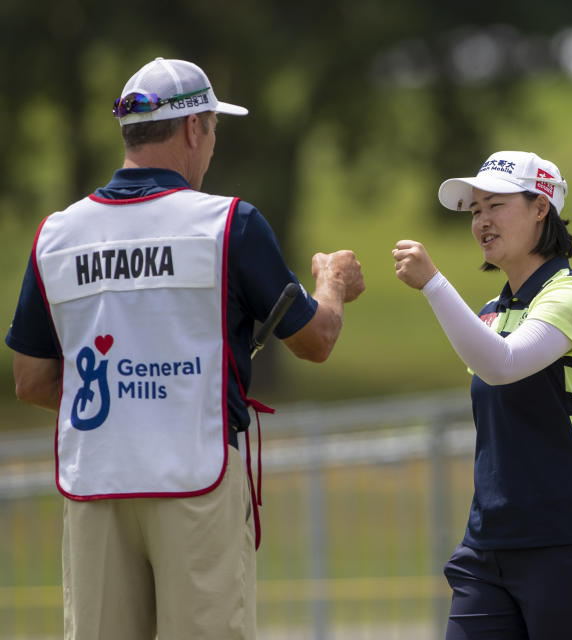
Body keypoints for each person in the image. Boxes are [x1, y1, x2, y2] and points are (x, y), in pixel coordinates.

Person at [5, 57, 365, 640]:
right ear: (194, 128)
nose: (213, 144)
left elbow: (30, 381)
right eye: (214, 129)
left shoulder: (57, 234)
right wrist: (333, 281)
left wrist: (125, 407)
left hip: (96, 481)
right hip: (194, 476)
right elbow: (315, 340)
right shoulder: (229, 224)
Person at [393, 150, 572, 640]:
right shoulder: (493, 310)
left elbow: (502, 364)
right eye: (475, 210)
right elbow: (494, 359)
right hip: (487, 548)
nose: (482, 221)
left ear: (541, 209)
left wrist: (433, 284)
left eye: (496, 205)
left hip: (568, 544)